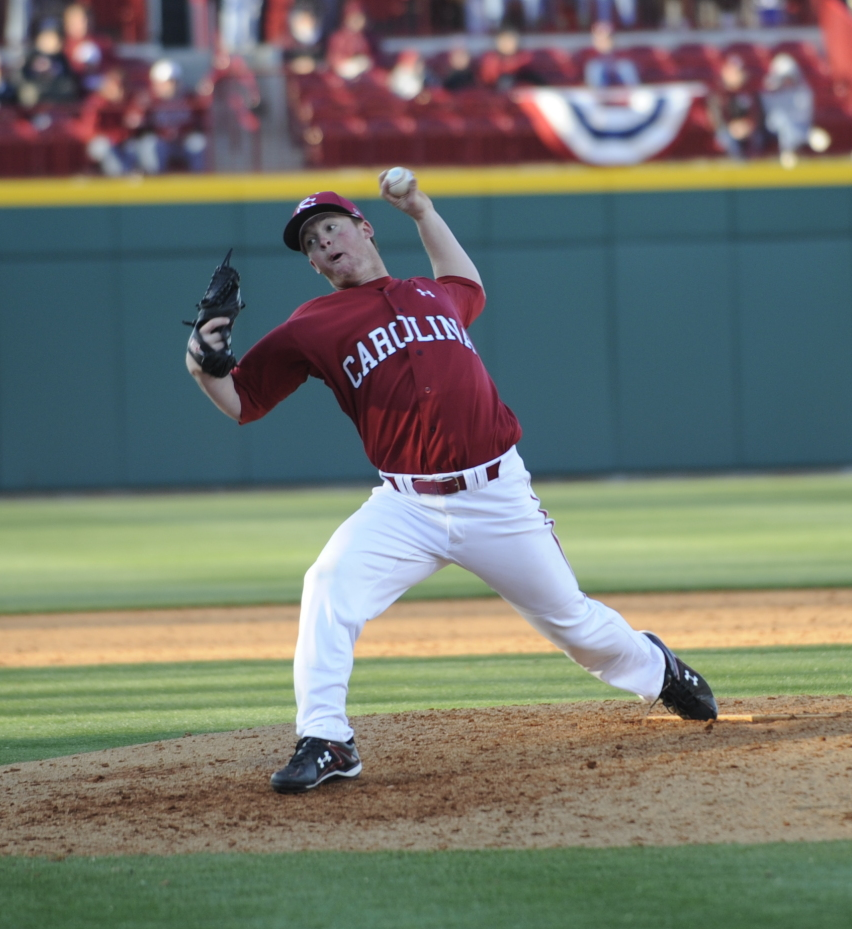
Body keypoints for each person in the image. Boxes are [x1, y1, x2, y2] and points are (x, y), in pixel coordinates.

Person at [183, 177, 719, 795]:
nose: (323, 241)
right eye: (310, 240)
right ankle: (326, 738)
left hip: (497, 497)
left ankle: (659, 669)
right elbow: (241, 400)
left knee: (572, 623)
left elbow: (469, 284)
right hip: (405, 505)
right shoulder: (313, 324)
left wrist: (423, 210)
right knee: (327, 585)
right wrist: (200, 358)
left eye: (331, 226)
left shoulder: (431, 294)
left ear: (364, 229)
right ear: (310, 263)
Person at [761, 52, 812, 168]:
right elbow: (769, 114)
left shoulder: (803, 91)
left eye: (789, 76)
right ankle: (791, 151)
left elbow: (804, 115)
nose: (787, 80)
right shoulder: (770, 90)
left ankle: (790, 152)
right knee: (782, 119)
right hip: (773, 129)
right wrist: (774, 90)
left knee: (788, 123)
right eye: (784, 77)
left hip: (798, 129)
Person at [709, 54, 763, 160]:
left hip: (748, 128)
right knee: (726, 138)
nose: (738, 75)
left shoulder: (750, 92)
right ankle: (737, 163)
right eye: (734, 72)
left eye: (739, 72)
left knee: (757, 137)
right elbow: (716, 117)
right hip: (727, 129)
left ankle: (754, 163)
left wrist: (749, 124)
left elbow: (757, 112)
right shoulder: (719, 93)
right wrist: (731, 127)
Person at [325, 1, 374, 81]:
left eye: (360, 18)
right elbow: (334, 61)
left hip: (363, 78)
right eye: (354, 18)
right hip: (343, 77)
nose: (357, 22)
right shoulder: (338, 37)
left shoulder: (367, 38)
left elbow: (372, 57)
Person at [581, 20, 638, 88]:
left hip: (624, 92)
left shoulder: (623, 56)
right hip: (597, 95)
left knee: (625, 67)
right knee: (595, 68)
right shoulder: (587, 55)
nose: (603, 42)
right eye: (600, 39)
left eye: (607, 38)